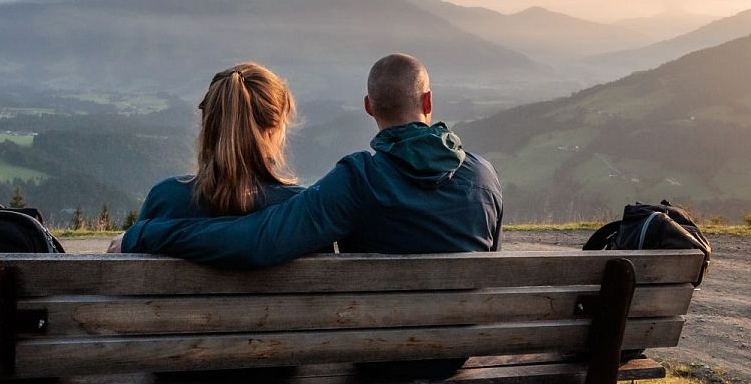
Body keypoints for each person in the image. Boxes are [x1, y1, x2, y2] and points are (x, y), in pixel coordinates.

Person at [121, 53, 503, 265]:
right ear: (428, 102)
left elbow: (256, 241)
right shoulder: (484, 176)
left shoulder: (357, 181)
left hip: (375, 350)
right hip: (455, 351)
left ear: (368, 107)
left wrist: (144, 234)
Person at [111, 62, 301, 384]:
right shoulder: (298, 208)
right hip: (274, 365)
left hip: (175, 365)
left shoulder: (165, 198)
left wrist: (143, 233)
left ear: (208, 125)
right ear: (276, 126)